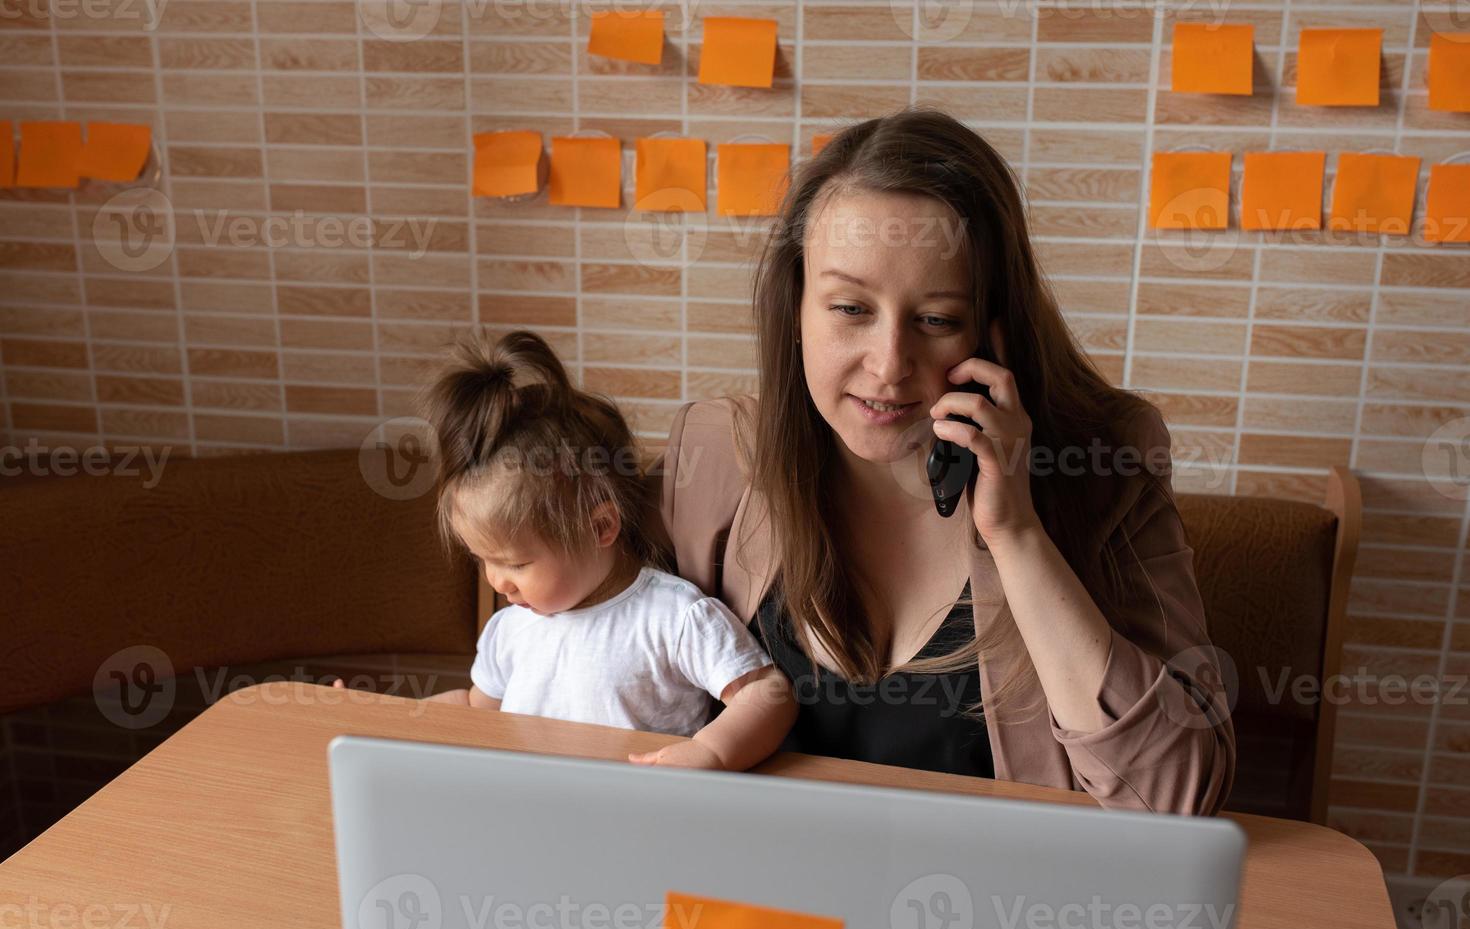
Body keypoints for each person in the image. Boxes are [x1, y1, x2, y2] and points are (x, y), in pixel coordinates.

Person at [654, 106, 1236, 814]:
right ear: (796, 308)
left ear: (996, 332)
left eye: (936, 320)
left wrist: (1017, 533)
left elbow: (1175, 800)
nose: (889, 365)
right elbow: (615, 696)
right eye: (849, 309)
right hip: (755, 905)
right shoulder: (718, 455)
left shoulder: (1103, 465)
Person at [337, 329, 796, 772]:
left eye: (515, 562)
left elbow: (767, 694)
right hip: (532, 816)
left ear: (600, 526)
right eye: (483, 560)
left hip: (636, 822)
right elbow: (475, 707)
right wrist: (382, 718)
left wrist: (712, 752)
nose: (496, 580)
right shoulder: (510, 629)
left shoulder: (673, 618)